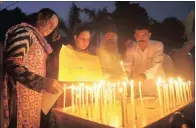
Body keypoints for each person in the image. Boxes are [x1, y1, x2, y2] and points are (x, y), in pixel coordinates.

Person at [3, 8, 63, 128]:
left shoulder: (38, 39)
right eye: (49, 23)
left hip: (32, 98)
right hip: (19, 97)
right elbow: (11, 65)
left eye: (53, 27)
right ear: (40, 17)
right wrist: (42, 82)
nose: (49, 28)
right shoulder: (24, 32)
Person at [124, 24, 165, 96]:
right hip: (137, 89)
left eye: (144, 34)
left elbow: (157, 64)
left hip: (155, 87)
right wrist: (125, 75)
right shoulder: (131, 49)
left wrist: (144, 75)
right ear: (135, 36)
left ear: (149, 35)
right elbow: (127, 65)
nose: (141, 37)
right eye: (138, 35)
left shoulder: (157, 45)